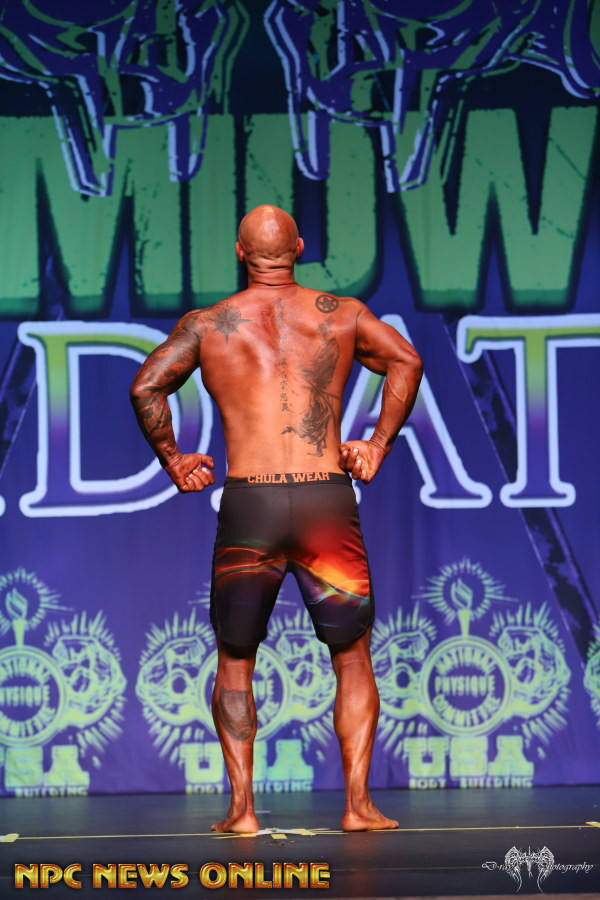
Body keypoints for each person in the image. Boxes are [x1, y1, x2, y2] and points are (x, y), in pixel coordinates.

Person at [130, 205, 423, 832]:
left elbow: (146, 386)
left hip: (251, 504)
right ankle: (358, 806)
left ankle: (241, 811)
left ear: (240, 251)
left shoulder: (208, 324)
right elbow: (408, 360)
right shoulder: (342, 314)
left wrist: (175, 461)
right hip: (324, 501)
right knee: (352, 656)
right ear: (300, 247)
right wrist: (376, 445)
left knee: (236, 660)